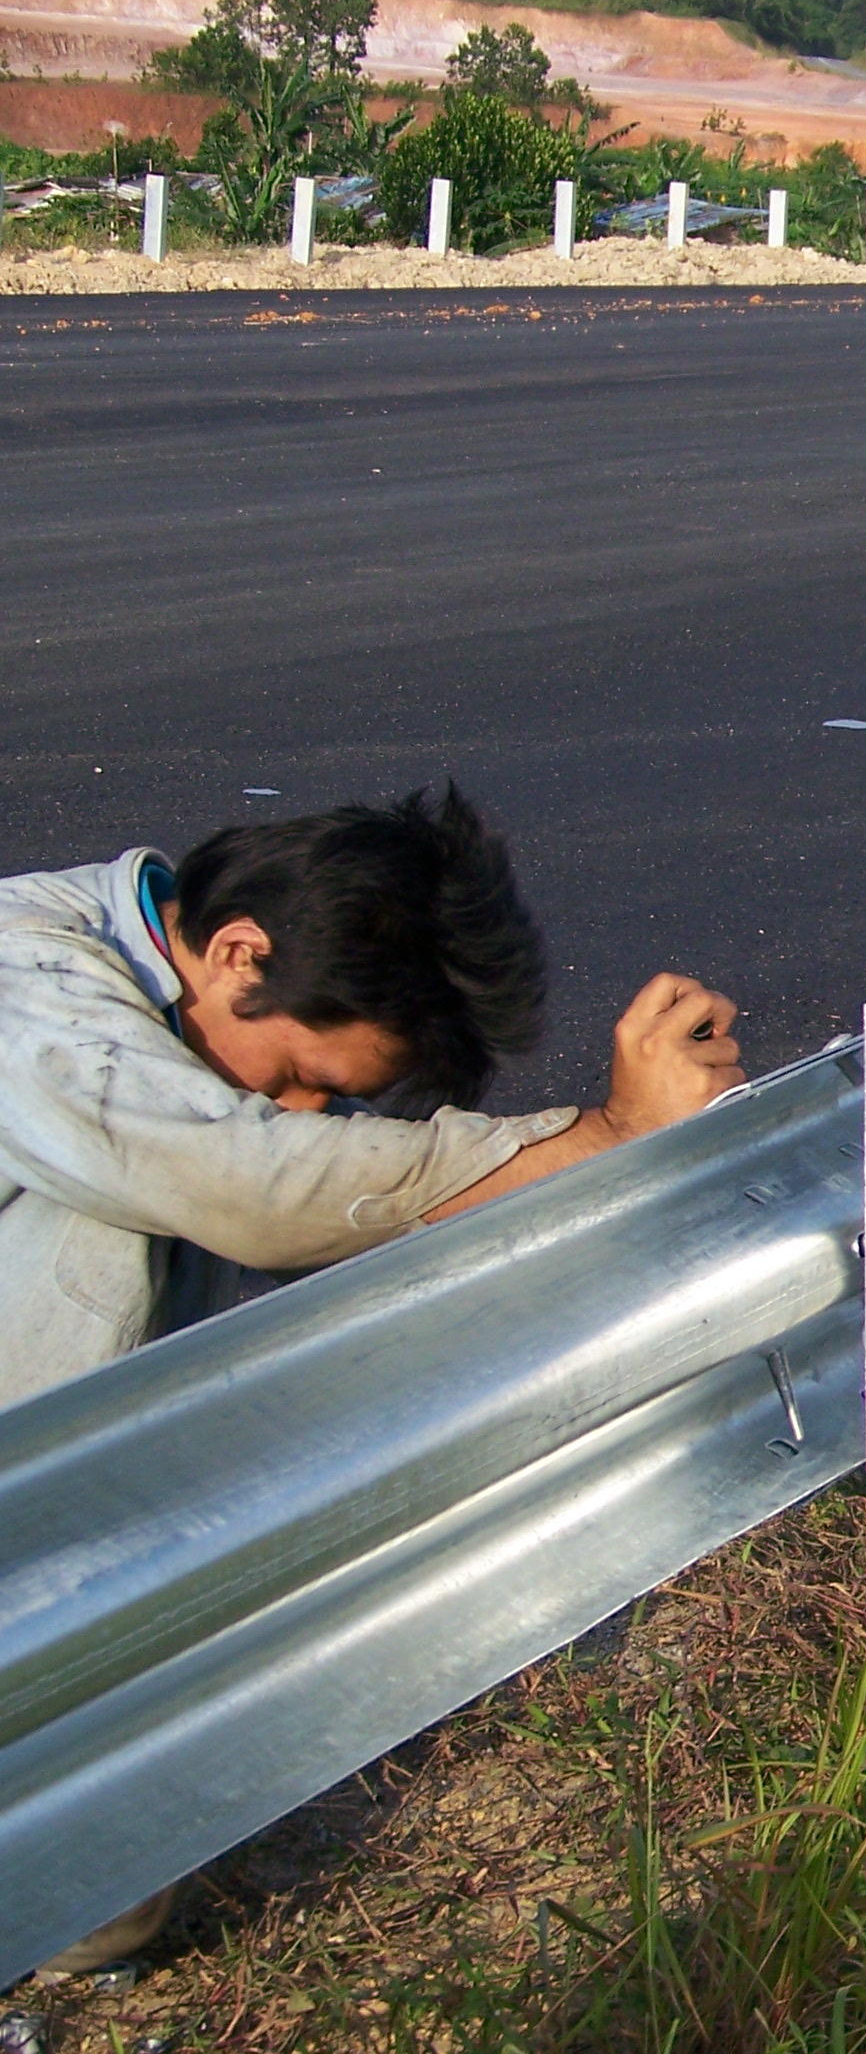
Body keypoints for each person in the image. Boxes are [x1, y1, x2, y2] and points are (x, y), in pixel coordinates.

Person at [0, 787, 744, 1976]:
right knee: (178, 1197)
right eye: (299, 1073)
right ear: (239, 951)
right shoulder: (25, 977)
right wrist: (601, 1140)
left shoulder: (174, 1003)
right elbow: (247, 1185)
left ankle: (74, 1909)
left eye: (332, 1098)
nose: (299, 1110)